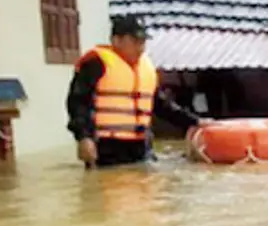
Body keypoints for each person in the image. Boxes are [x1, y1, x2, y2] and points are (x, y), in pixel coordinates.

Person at [66, 14, 202, 168]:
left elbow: (162, 105)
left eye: (143, 42)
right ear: (116, 40)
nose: (141, 47)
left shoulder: (146, 67)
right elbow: (78, 103)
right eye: (135, 41)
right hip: (107, 148)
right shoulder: (96, 63)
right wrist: (84, 137)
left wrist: (194, 122)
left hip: (142, 146)